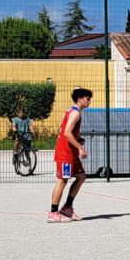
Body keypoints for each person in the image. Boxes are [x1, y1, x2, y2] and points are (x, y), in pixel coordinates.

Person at [49, 88, 93, 222]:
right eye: (87, 98)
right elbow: (67, 133)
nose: (90, 101)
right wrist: (80, 147)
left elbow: (69, 132)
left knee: (81, 177)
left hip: (71, 153)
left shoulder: (72, 111)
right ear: (80, 100)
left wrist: (78, 140)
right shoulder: (75, 113)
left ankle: (67, 208)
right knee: (62, 181)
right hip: (65, 154)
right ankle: (53, 213)